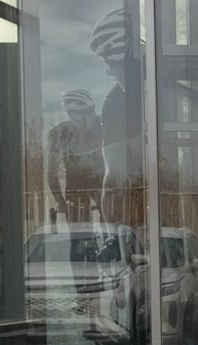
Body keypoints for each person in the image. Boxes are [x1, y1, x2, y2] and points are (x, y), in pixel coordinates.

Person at [89, 6, 146, 229]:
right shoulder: (113, 106)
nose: (110, 72)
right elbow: (114, 173)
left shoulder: (155, 83)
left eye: (110, 64)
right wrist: (113, 229)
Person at [47, 89, 103, 224]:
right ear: (70, 113)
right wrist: (60, 200)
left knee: (110, 226)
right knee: (79, 231)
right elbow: (51, 173)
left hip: (101, 184)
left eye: (92, 111)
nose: (91, 116)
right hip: (76, 188)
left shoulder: (101, 125)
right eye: (86, 112)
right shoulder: (59, 133)